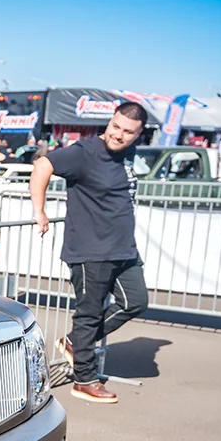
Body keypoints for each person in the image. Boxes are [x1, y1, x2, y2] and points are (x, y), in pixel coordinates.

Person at [31, 102, 150, 404]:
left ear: (138, 135)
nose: (119, 135)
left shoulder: (127, 154)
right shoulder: (84, 152)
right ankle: (84, 380)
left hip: (123, 249)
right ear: (109, 122)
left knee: (135, 302)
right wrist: (39, 210)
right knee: (89, 314)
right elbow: (43, 165)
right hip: (90, 250)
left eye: (128, 132)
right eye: (115, 127)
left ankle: (75, 342)